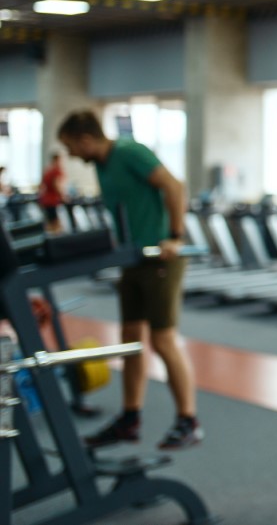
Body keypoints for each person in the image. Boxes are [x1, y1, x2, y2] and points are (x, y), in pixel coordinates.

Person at [56, 110, 203, 450]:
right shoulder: (103, 165)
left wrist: (175, 236)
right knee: (130, 338)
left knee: (163, 340)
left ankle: (188, 420)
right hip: (132, 260)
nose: (71, 155)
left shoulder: (129, 152)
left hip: (160, 259)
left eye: (70, 146)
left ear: (85, 139)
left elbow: (174, 185)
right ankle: (130, 418)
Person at [37, 152, 66, 234]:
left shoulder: (47, 170)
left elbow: (40, 186)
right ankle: (55, 243)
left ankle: (48, 241)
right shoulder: (56, 170)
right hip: (53, 200)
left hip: (45, 200)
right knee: (56, 224)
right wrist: (63, 197)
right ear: (57, 160)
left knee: (49, 223)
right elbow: (56, 185)